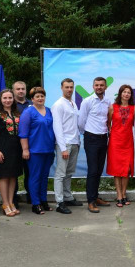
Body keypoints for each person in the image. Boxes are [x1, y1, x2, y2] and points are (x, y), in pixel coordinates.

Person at [19, 87, 56, 215]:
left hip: (48, 149)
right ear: (32, 99)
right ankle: (35, 203)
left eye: (42, 96)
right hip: (35, 150)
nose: (40, 98)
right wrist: (25, 149)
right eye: (37, 96)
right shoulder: (28, 112)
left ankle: (43, 201)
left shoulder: (49, 111)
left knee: (44, 177)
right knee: (35, 177)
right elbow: (23, 133)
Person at [78, 77, 112, 213]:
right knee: (92, 170)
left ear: (105, 87)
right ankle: (90, 201)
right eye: (96, 85)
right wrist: (87, 133)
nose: (99, 87)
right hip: (91, 138)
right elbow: (81, 121)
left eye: (101, 85)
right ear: (93, 87)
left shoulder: (108, 101)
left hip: (103, 138)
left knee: (98, 170)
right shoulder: (87, 101)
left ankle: (95, 197)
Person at [51, 78, 83, 214]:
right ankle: (59, 202)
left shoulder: (73, 103)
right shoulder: (58, 105)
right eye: (67, 87)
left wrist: (78, 142)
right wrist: (63, 148)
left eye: (71, 87)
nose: (69, 89)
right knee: (60, 174)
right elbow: (57, 127)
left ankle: (68, 197)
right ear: (61, 88)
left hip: (75, 142)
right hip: (65, 144)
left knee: (69, 173)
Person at [0, 89, 23, 217]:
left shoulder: (17, 113)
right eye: (5, 98)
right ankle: (5, 204)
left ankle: (11, 202)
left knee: (13, 176)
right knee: (4, 176)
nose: (7, 100)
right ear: (0, 99)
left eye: (10, 98)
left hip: (16, 149)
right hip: (2, 149)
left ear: (13, 99)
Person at [106, 85, 135, 207]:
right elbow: (108, 123)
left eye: (129, 92)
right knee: (117, 170)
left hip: (128, 142)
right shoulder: (112, 107)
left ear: (131, 95)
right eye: (124, 92)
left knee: (127, 169)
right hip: (115, 142)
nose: (126, 94)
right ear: (120, 93)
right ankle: (119, 195)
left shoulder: (134, 108)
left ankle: (124, 194)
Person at [13, 81, 32, 204]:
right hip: (13, 144)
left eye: (23, 89)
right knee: (13, 172)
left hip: (30, 144)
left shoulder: (32, 104)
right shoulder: (9, 104)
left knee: (30, 172)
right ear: (13, 91)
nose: (20, 91)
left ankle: (31, 196)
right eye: (18, 89)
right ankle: (13, 198)